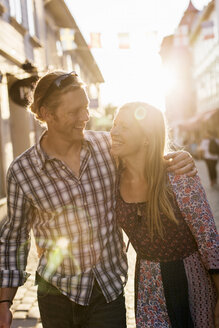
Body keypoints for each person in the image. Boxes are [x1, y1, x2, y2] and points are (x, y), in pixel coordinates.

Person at [0, 71, 196, 328]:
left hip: (108, 291)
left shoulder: (109, 148)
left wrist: (178, 159)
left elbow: (146, 160)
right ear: (47, 113)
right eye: (74, 111)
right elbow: (14, 238)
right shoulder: (22, 171)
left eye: (85, 108)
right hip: (56, 295)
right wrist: (5, 303)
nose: (85, 117)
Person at [110, 102, 219, 328]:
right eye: (115, 124)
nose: (114, 132)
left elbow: (208, 238)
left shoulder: (178, 175)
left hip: (193, 279)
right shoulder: (112, 179)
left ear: (146, 138)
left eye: (125, 127)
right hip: (148, 284)